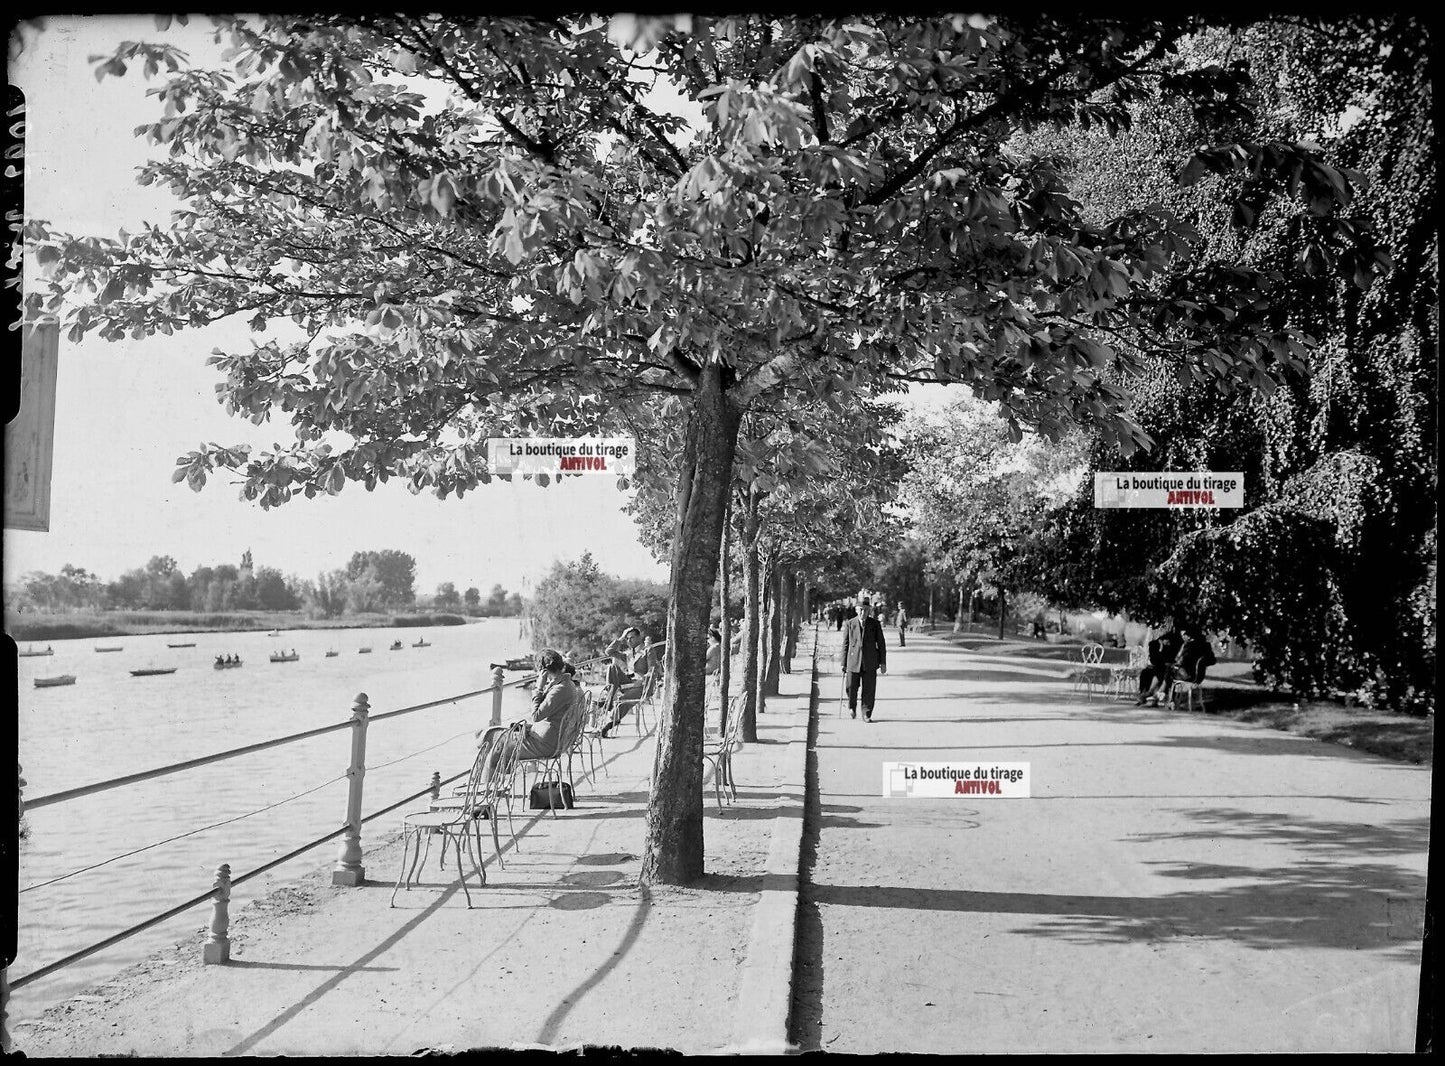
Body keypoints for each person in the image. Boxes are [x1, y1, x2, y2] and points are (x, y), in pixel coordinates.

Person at [841, 595, 888, 721]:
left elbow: (881, 644)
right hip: (853, 661)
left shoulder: (875, 624)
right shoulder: (850, 624)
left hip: (870, 662)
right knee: (851, 687)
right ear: (856, 610)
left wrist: (883, 662)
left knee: (869, 689)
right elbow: (845, 644)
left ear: (869, 611)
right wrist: (843, 663)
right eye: (861, 609)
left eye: (866, 610)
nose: (863, 612)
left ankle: (866, 712)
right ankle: (852, 707)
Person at [1136, 621, 1183, 706]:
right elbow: (1154, 660)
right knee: (1146, 672)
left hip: (1167, 667)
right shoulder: (1154, 644)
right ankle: (1146, 694)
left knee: (1160, 671)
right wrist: (1161, 649)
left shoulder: (1173, 643)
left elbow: (1171, 659)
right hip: (1158, 666)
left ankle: (1150, 694)